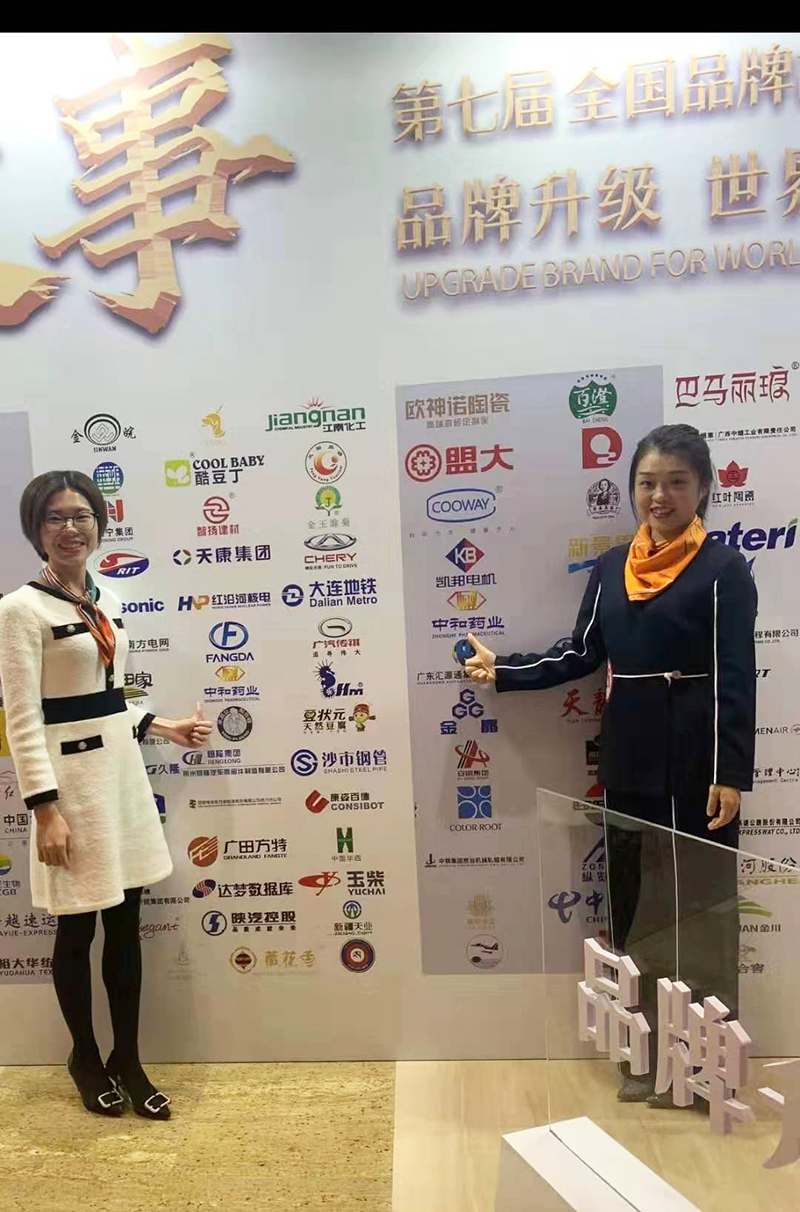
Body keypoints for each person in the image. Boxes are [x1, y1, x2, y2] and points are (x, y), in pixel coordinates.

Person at [465, 424, 756, 1105]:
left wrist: (730, 772)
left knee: (701, 912)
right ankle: (642, 1057)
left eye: (676, 482)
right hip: (627, 758)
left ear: (703, 489)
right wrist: (504, 670)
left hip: (696, 764)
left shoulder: (723, 569)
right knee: (633, 910)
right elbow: (581, 653)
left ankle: (705, 1070)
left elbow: (736, 676)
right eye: (648, 483)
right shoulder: (612, 566)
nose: (660, 496)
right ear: (632, 489)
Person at [0, 471, 212, 1119]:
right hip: (69, 792)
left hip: (121, 780)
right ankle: (85, 1057)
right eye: (56, 518)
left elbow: (105, 699)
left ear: (99, 523)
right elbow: (23, 718)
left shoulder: (107, 599)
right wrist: (44, 810)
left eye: (82, 516)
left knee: (126, 927)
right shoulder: (20, 610)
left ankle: (129, 1058)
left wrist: (161, 726)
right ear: (36, 530)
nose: (71, 528)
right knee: (76, 927)